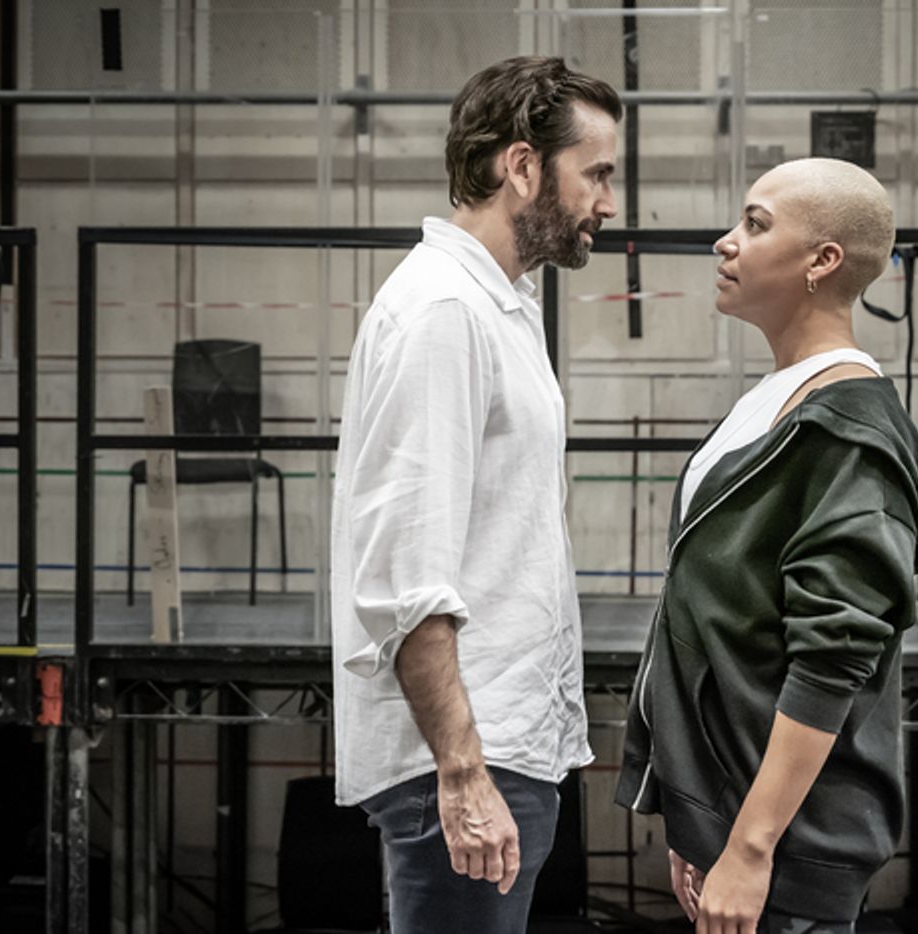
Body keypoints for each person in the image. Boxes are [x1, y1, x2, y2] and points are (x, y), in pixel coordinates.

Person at [614, 158, 918, 934]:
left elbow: (833, 657)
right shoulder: (776, 398)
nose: (725, 242)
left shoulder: (849, 432)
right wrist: (699, 815)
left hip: (787, 849)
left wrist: (750, 847)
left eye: (756, 224)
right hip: (734, 818)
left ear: (822, 260)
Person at [330, 57, 619, 934]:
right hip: (461, 756)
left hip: (497, 745)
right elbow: (407, 570)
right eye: (596, 174)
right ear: (521, 166)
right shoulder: (445, 312)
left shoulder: (499, 306)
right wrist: (460, 769)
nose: (608, 202)